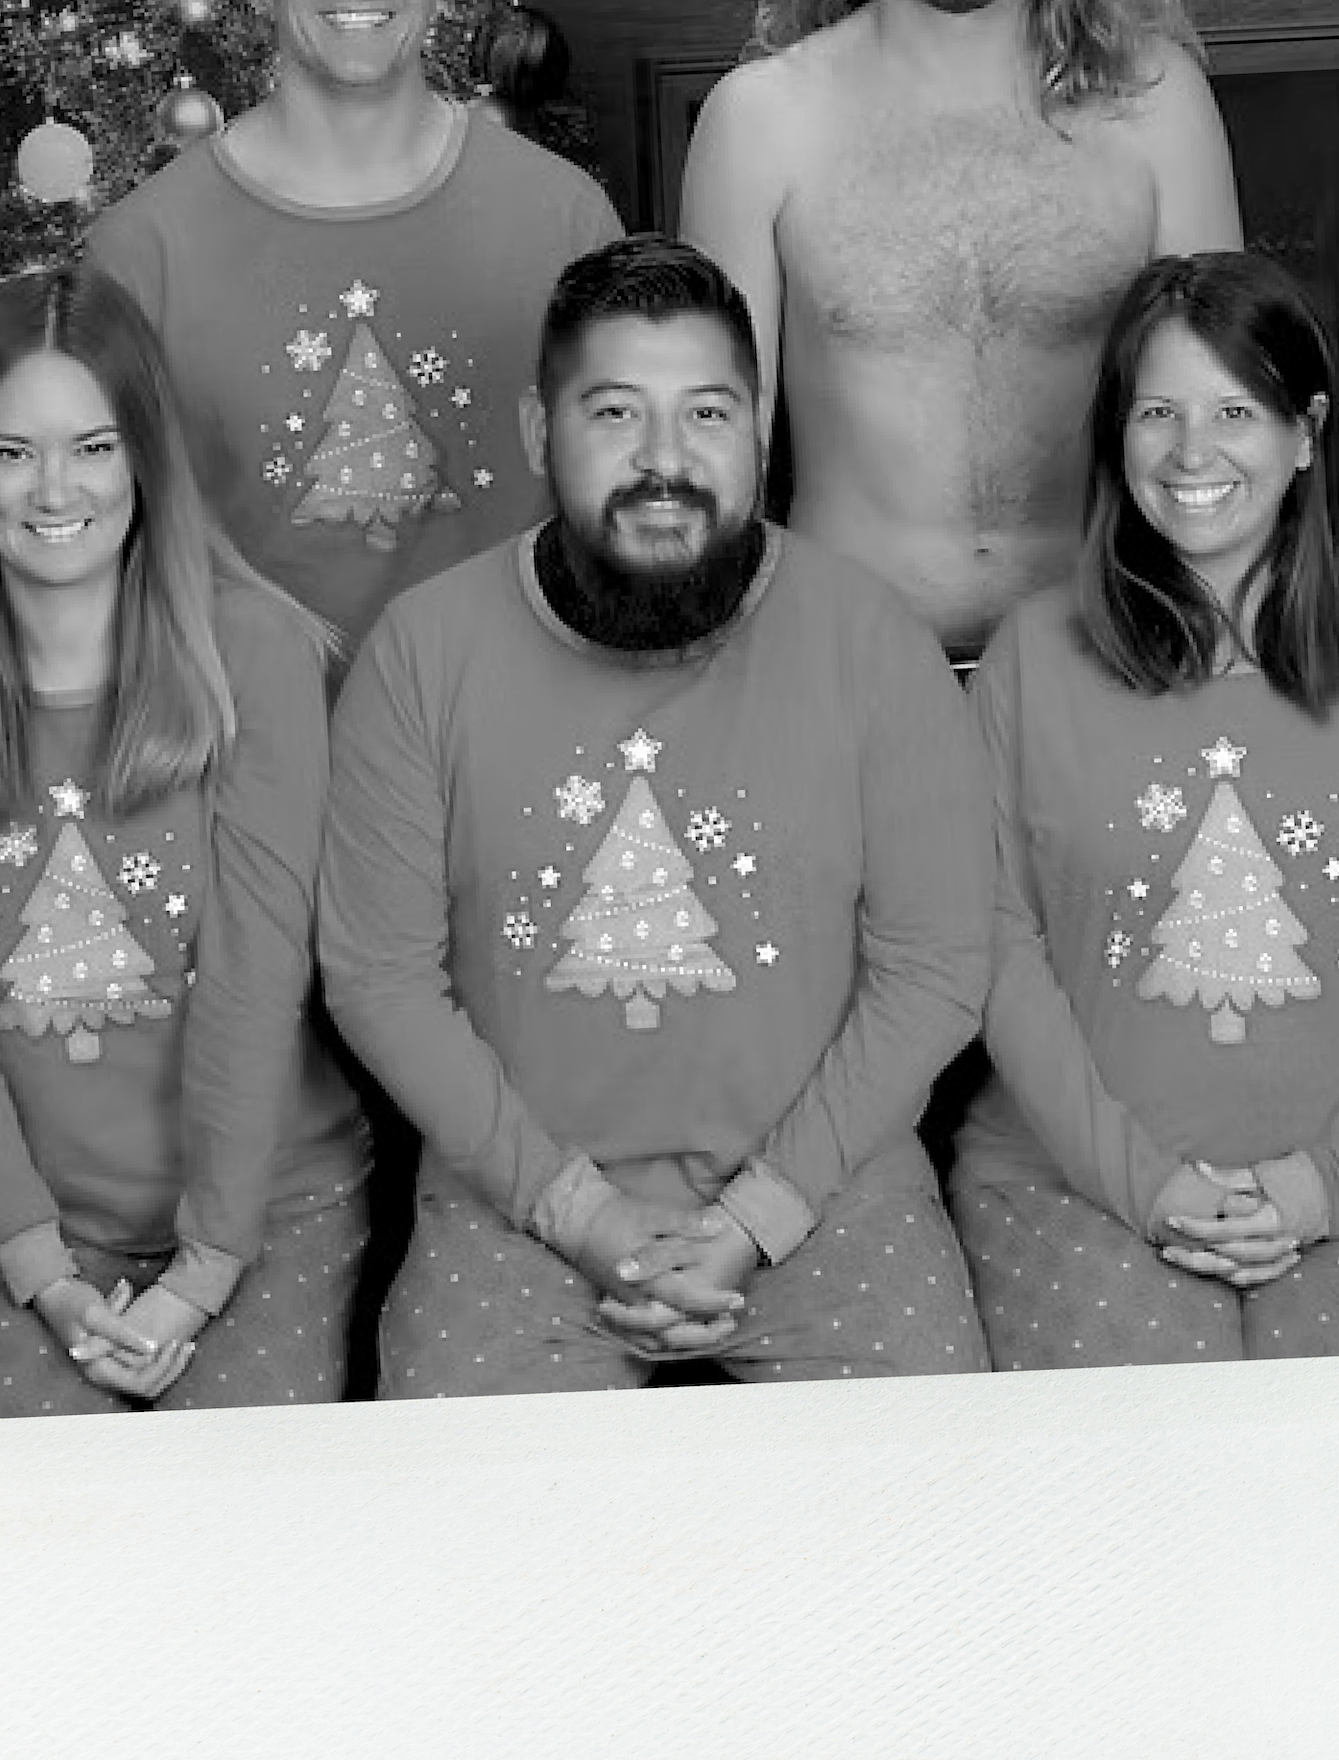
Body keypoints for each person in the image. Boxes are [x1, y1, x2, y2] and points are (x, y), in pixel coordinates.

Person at [318, 234, 994, 1397]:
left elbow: (934, 966)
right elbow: (380, 977)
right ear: (541, 432)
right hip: (515, 1207)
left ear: (760, 429)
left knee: (930, 1534)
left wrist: (761, 1211)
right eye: (617, 414)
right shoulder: (424, 653)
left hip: (831, 1195)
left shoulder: (872, 640)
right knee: (458, 1544)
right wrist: (576, 1211)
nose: (664, 462)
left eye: (707, 416)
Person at [947, 250, 1339, 1366]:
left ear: (1305, 434)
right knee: (1142, 1501)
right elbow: (993, 944)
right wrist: (1142, 1183)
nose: (1192, 451)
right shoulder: (1031, 659)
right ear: (1117, 433)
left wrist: (1329, 1183)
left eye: (1234, 410)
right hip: (1070, 1188)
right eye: (1157, 410)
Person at [0, 266, 370, 1416]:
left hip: (263, 1208)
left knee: (248, 1548)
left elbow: (253, 976)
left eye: (90, 446)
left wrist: (206, 1268)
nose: (52, 491)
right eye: (10, 451)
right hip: (21, 1221)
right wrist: (38, 1269)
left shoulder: (254, 659)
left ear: (143, 456)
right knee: (27, 1565)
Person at [681, 0, 1243, 665]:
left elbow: (1231, 425)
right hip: (848, 671)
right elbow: (717, 443)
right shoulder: (761, 121)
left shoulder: (1159, 106)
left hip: (1111, 664)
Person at [84, 0, 625, 661]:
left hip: (502, 755)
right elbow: (127, 546)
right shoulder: (144, 248)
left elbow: (611, 512)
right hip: (255, 765)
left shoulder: (566, 218)